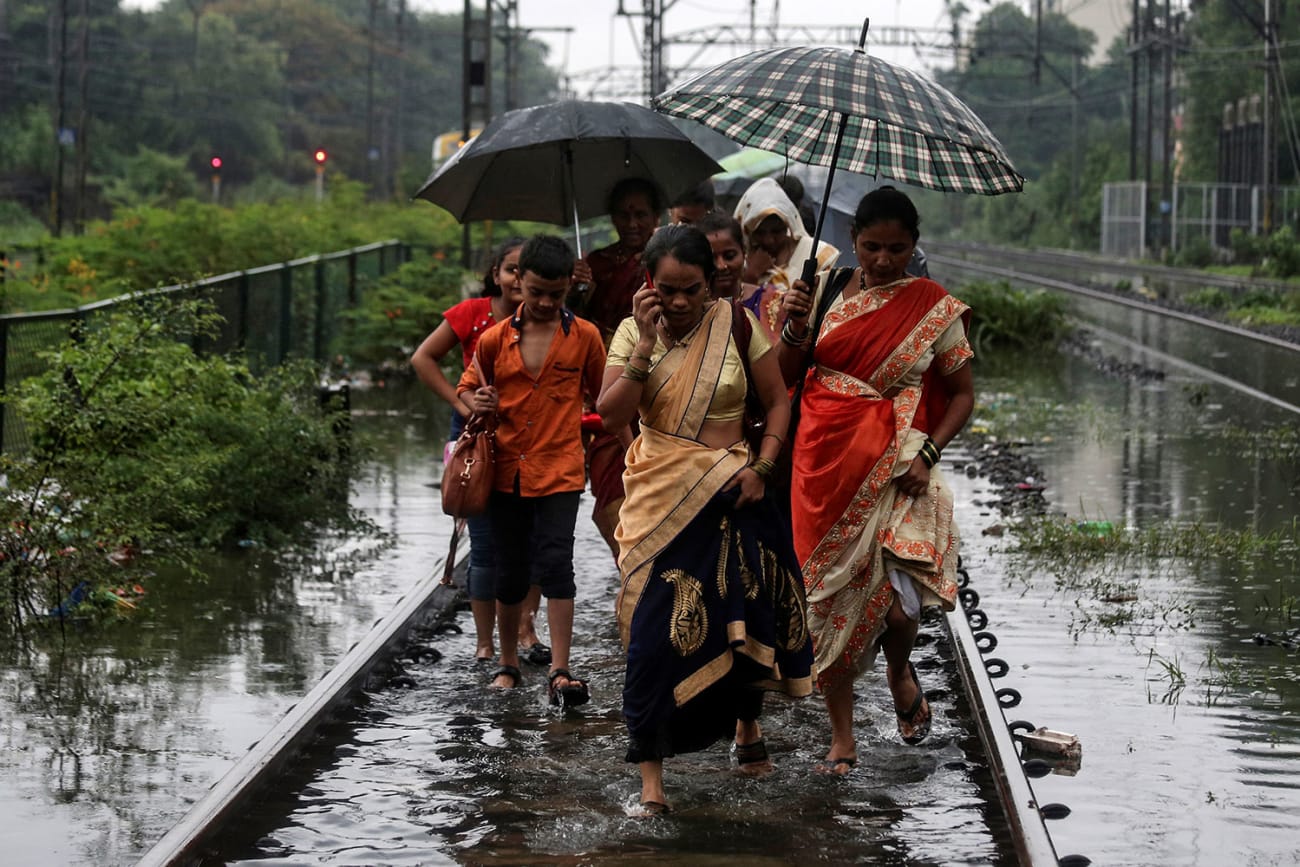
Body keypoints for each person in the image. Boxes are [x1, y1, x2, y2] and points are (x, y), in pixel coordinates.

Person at [597, 225, 814, 814]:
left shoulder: (738, 325)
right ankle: (651, 780)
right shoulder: (627, 334)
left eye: (691, 289)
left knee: (741, 627)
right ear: (649, 285)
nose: (679, 301)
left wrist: (763, 468)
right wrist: (644, 344)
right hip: (660, 502)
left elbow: (776, 402)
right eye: (666, 289)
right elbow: (608, 410)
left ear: (710, 284)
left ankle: (747, 728)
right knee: (650, 639)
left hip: (735, 498)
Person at [778, 186, 974, 771]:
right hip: (822, 462)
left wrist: (929, 456)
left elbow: (962, 397)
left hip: (900, 464)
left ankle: (896, 671)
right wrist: (792, 323)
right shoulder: (827, 289)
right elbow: (788, 374)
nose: (884, 260)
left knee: (895, 609)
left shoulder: (934, 306)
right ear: (853, 241)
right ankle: (842, 738)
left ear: (914, 246)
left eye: (897, 248)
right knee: (829, 600)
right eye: (871, 247)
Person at [457, 235, 608, 700]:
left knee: (558, 565)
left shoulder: (585, 336)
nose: (544, 302)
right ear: (517, 281)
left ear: (568, 289)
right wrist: (475, 401)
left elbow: (605, 398)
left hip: (561, 468)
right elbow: (465, 390)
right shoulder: (493, 340)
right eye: (535, 291)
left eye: (555, 295)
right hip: (506, 470)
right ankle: (507, 662)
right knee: (510, 571)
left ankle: (560, 668)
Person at [410, 238, 548, 666]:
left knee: (536, 540)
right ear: (497, 274)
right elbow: (423, 358)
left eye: (524, 272)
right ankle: (485, 641)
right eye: (510, 270)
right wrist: (460, 402)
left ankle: (525, 626)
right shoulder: (472, 315)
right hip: (477, 438)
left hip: (532, 438)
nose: (516, 280)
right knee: (486, 544)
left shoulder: (549, 319)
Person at [570, 177, 662, 558]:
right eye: (624, 215)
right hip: (608, 382)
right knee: (611, 489)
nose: (633, 223)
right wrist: (576, 291)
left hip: (660, 381)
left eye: (641, 214)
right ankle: (628, 566)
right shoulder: (596, 265)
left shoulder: (667, 262)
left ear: (656, 216)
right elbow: (575, 325)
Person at [732, 177, 839, 336]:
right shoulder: (738, 260)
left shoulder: (815, 254)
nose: (769, 240)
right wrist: (750, 276)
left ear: (788, 225)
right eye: (760, 233)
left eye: (777, 231)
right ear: (747, 231)